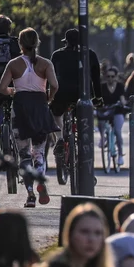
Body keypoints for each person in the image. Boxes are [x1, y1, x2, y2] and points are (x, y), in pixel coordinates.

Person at [0, 28, 59, 209]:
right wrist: (50, 96)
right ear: (37, 42)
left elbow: (1, 87)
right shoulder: (46, 64)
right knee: (39, 152)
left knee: (24, 154)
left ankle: (31, 194)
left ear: (20, 44)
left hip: (21, 108)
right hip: (40, 106)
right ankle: (40, 179)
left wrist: (12, 91)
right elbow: (55, 85)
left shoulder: (13, 64)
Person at [49, 27, 102, 166]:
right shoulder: (89, 54)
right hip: (83, 94)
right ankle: (83, 151)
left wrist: (50, 95)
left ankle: (60, 137)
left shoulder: (57, 55)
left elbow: (51, 76)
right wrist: (98, 97)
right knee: (84, 121)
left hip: (62, 93)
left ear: (65, 42)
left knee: (56, 113)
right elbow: (96, 78)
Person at [96, 64, 127, 167]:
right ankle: (102, 138)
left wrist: (122, 103)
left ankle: (120, 155)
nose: (110, 78)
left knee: (118, 131)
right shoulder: (102, 87)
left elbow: (122, 99)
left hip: (117, 111)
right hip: (105, 110)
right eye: (108, 76)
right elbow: (98, 99)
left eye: (112, 76)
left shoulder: (120, 86)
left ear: (116, 77)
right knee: (100, 121)